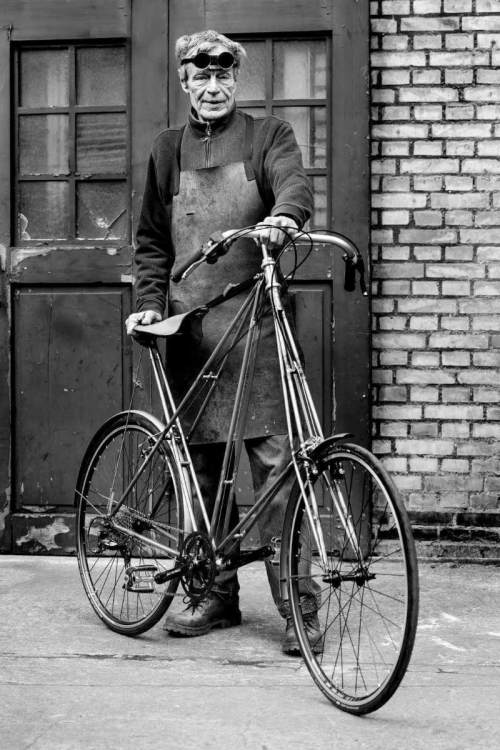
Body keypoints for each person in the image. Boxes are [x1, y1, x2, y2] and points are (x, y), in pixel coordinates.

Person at [126, 29, 321, 655]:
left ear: (236, 79)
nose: (213, 88)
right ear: (185, 81)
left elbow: (294, 184)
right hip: (193, 332)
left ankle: (299, 606)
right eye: (201, 77)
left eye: (224, 76)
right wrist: (151, 302)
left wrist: (284, 217)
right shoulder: (167, 150)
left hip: (257, 327)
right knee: (204, 471)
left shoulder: (269, 136)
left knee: (278, 470)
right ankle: (215, 594)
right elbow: (152, 241)